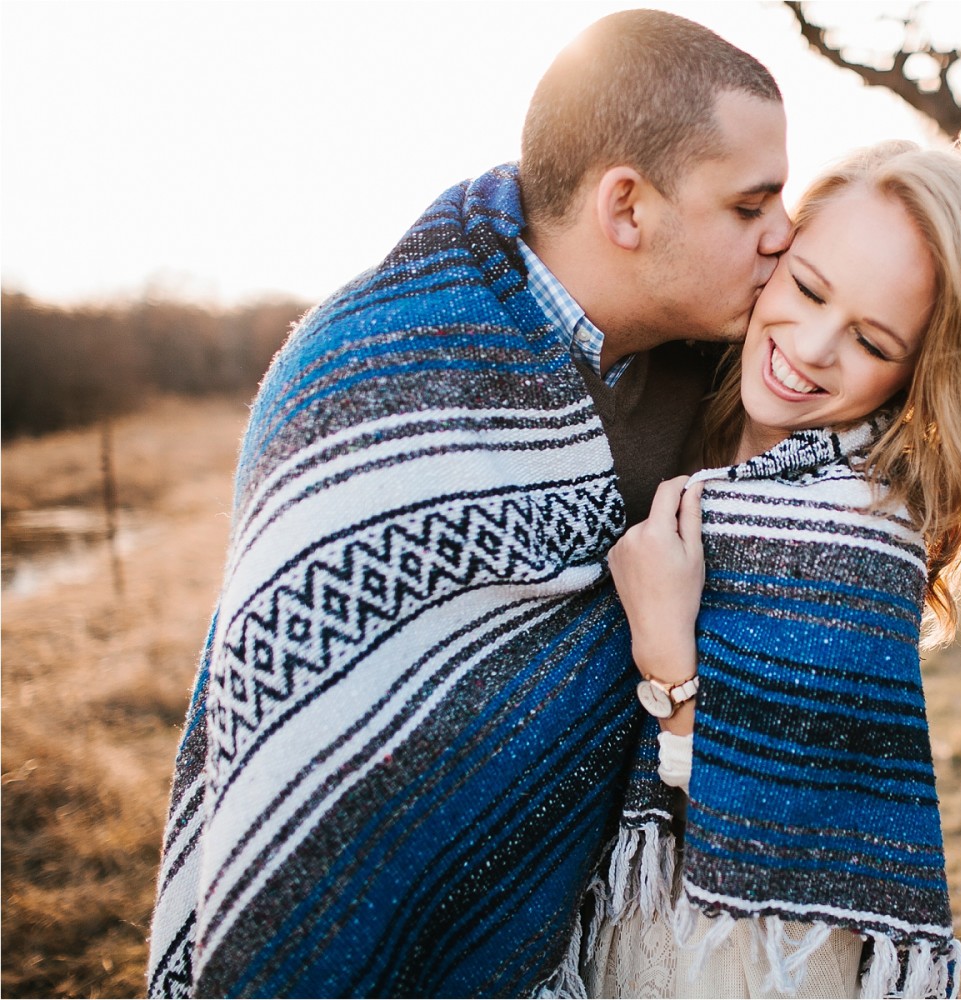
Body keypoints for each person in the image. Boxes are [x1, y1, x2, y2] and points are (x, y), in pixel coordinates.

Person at [145, 10, 790, 998]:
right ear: (628, 208)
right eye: (752, 207)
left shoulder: (711, 374)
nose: (783, 235)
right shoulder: (372, 380)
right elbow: (315, 760)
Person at [595, 140, 961, 998]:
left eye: (871, 340)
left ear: (921, 370)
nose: (812, 346)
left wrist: (666, 655)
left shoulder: (860, 533)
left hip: (746, 962)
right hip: (606, 927)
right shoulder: (672, 411)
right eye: (806, 288)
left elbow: (769, 824)